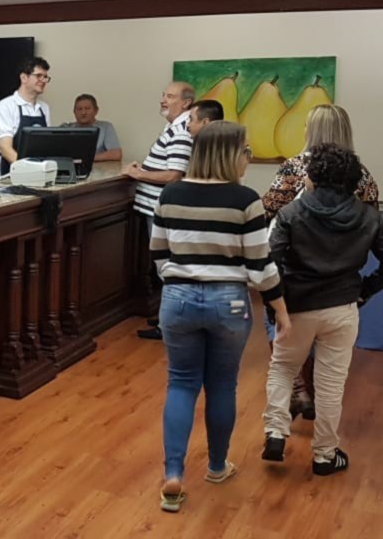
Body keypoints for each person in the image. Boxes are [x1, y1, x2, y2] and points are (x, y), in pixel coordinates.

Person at [151, 121, 291, 512]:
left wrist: (179, 281)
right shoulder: (245, 200)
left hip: (177, 298)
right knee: (222, 385)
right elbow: (261, 265)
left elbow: (158, 252)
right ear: (230, 154)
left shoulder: (170, 194)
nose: (248, 158)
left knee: (181, 384)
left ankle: (173, 472)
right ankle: (216, 466)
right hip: (229, 301)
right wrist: (280, 309)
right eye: (246, 151)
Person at [262, 143, 383, 476]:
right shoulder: (369, 217)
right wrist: (365, 290)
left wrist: (276, 303)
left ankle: (276, 433)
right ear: (353, 182)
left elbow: (269, 263)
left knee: (283, 369)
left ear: (311, 178)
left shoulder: (290, 213)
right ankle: (325, 456)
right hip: (342, 309)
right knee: (330, 385)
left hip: (297, 308)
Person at [260, 104, 379, 418]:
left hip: (296, 269)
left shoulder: (294, 167)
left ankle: (297, 388)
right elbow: (372, 220)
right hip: (342, 272)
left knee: (280, 323)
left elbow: (269, 208)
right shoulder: (362, 175)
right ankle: (315, 394)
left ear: (312, 130)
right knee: (328, 336)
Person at [121, 81, 195, 340]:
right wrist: (144, 169)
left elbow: (174, 175)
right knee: (164, 267)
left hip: (162, 211)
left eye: (170, 96)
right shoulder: (173, 127)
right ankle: (167, 317)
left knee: (167, 268)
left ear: (186, 103)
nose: (163, 100)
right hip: (157, 209)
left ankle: (170, 325)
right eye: (163, 95)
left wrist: (138, 174)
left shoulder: (181, 132)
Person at [0, 56, 51, 179]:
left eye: (45, 77)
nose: (43, 80)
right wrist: (29, 171)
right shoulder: (6, 106)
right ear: (24, 77)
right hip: (8, 171)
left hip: (37, 173)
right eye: (39, 76)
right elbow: (5, 148)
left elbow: (46, 145)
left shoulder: (44, 108)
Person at [61, 93, 122, 162]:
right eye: (79, 109)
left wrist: (87, 158)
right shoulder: (66, 128)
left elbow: (116, 154)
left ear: (96, 110)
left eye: (87, 108)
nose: (83, 112)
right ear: (74, 112)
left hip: (98, 167)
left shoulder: (106, 127)